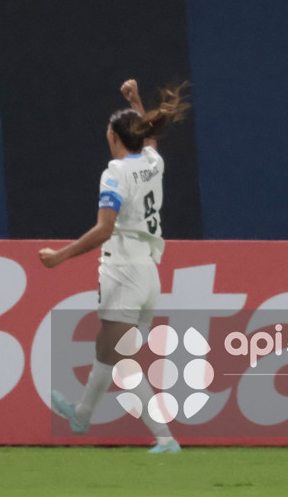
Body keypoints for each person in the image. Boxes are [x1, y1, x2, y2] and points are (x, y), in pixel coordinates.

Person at [39, 79, 189, 453]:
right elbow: (149, 139)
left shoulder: (115, 174)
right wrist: (137, 101)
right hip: (149, 274)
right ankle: (81, 416)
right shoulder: (154, 162)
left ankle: (164, 438)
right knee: (110, 352)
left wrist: (61, 256)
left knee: (120, 358)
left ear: (113, 137)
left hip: (123, 270)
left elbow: (105, 229)